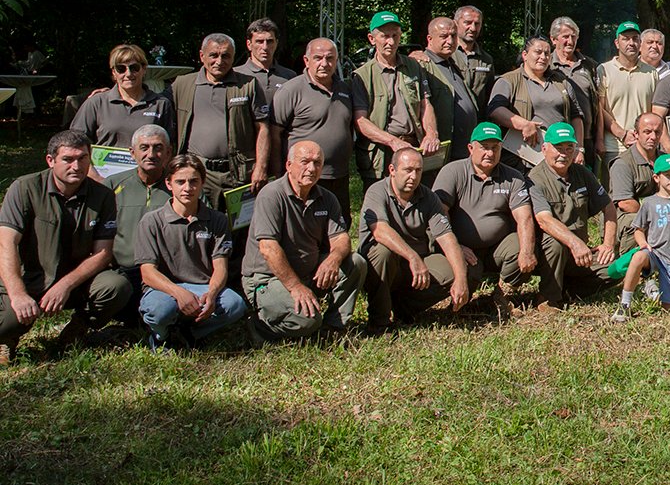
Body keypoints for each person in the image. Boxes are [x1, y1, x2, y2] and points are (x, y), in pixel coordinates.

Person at [0, 130, 129, 361]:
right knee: (8, 321)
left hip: (74, 280)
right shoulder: (24, 188)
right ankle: (7, 338)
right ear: (51, 160)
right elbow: (5, 243)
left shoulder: (103, 195)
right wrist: (18, 294)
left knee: (116, 286)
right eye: (68, 159)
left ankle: (77, 329)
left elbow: (103, 253)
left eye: (82, 158)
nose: (76, 166)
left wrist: (65, 285)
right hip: (28, 277)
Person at [244, 140, 368, 343]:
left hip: (308, 272)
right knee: (307, 321)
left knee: (356, 263)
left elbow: (341, 238)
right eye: (305, 162)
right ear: (289, 165)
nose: (311, 168)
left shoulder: (327, 198)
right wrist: (295, 287)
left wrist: (333, 259)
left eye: (317, 163)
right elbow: (268, 248)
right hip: (268, 278)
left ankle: (333, 327)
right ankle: (259, 325)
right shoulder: (271, 195)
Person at [134, 152, 248, 349]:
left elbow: (220, 267)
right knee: (159, 311)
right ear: (169, 184)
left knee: (235, 305)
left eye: (194, 181)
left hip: (202, 286)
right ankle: (161, 336)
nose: (187, 188)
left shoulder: (218, 220)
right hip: (164, 289)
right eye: (180, 182)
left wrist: (212, 294)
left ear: (202, 183)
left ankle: (189, 332)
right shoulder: (151, 221)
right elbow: (148, 273)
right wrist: (179, 293)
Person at [360, 146, 475, 331]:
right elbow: (380, 230)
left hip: (416, 265)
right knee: (382, 253)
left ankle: (403, 307)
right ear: (392, 170)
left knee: (456, 269)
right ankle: (379, 321)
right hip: (385, 265)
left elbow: (446, 237)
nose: (413, 176)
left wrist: (461, 279)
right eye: (408, 170)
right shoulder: (377, 191)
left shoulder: (429, 197)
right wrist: (412, 256)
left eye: (418, 170)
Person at [433, 123, 539, 319]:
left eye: (495, 147)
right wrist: (456, 246)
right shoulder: (452, 171)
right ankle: (458, 305)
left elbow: (524, 217)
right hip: (462, 247)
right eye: (484, 147)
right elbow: (439, 214)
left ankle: (502, 294)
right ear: (470, 148)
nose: (490, 153)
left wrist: (526, 252)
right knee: (467, 273)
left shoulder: (513, 177)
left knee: (524, 245)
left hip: (496, 248)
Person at [170, 33, 274, 206]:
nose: (219, 61)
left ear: (233, 57)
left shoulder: (248, 85)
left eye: (225, 56)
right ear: (202, 56)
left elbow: (263, 128)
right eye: (213, 55)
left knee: (240, 221)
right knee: (199, 220)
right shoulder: (182, 84)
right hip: (198, 172)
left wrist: (261, 168)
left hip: (238, 172)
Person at [528, 122, 619, 310]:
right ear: (544, 149)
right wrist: (575, 244)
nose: (564, 154)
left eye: (569, 148)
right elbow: (544, 220)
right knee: (555, 244)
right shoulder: (535, 179)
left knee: (617, 268)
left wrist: (608, 245)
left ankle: (569, 290)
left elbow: (609, 207)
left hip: (580, 254)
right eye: (558, 148)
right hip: (549, 254)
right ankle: (548, 298)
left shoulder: (582, 173)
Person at [352, 12, 442, 184]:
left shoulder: (414, 66)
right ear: (372, 39)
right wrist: (392, 142)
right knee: (380, 196)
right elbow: (360, 121)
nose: (391, 42)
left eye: (395, 35)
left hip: (413, 146)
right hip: (380, 153)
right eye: (385, 36)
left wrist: (431, 133)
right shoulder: (362, 75)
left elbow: (426, 104)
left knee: (417, 194)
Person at [271, 38, 357, 210]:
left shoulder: (345, 89)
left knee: (339, 221)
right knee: (306, 223)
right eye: (318, 58)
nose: (324, 63)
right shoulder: (291, 90)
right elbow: (274, 134)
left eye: (330, 58)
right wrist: (278, 173)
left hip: (339, 175)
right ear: (306, 60)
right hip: (304, 176)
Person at [610, 154, 670, 322]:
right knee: (638, 257)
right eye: (668, 175)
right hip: (654, 253)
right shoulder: (649, 203)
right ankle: (625, 304)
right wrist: (643, 244)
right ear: (656, 178)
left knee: (669, 309)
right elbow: (638, 230)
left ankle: (655, 291)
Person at [489, 36, 587, 167]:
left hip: (560, 158)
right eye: (538, 52)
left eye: (547, 53)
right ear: (525, 55)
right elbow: (495, 110)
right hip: (522, 160)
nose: (543, 57)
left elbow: (576, 116)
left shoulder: (562, 81)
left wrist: (579, 149)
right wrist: (524, 124)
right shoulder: (508, 80)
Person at [105, 125, 173, 290]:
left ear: (168, 152)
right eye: (144, 148)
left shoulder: (181, 185)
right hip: (121, 271)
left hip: (168, 272)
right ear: (132, 152)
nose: (151, 154)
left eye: (158, 148)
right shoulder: (113, 184)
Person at [70, 43, 174, 149]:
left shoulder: (160, 104)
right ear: (114, 72)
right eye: (121, 69)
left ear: (144, 69)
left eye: (134, 68)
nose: (128, 74)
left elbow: (168, 146)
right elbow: (76, 142)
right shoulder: (96, 103)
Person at [412, 16, 480, 158]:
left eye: (453, 36)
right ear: (430, 39)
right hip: (439, 149)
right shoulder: (422, 64)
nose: (450, 41)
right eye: (443, 36)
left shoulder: (451, 63)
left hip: (462, 149)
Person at [598, 21, 658, 164]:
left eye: (635, 38)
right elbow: (599, 108)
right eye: (625, 39)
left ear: (640, 43)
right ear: (617, 43)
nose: (631, 43)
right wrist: (622, 134)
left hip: (645, 146)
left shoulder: (652, 73)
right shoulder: (604, 70)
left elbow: (655, 111)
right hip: (614, 146)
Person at [608, 112, 667, 217]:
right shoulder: (622, 163)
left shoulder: (665, 160)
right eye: (647, 132)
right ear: (636, 134)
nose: (653, 137)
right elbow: (625, 203)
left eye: (657, 132)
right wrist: (654, 216)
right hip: (630, 215)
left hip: (662, 213)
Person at [548, 16, 602, 124]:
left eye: (573, 37)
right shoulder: (546, 65)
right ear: (553, 39)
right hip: (556, 131)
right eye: (565, 37)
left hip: (586, 133)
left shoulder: (589, 65)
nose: (570, 41)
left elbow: (600, 103)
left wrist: (599, 133)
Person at [235, 18, 297, 99]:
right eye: (259, 41)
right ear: (249, 44)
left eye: (270, 41)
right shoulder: (235, 75)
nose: (265, 47)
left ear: (276, 43)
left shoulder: (289, 76)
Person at [452, 5, 498, 106]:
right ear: (455, 24)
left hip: (477, 115)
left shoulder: (486, 60)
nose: (473, 28)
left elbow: (489, 95)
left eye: (477, 24)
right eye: (467, 23)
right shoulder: (446, 55)